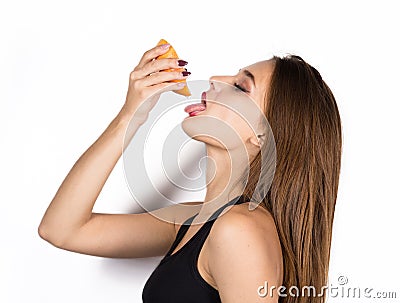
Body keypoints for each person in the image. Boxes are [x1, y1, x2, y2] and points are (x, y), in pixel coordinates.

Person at [38, 42, 342, 303]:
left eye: (240, 86)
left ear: (262, 135)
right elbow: (62, 229)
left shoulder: (239, 229)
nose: (214, 79)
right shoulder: (194, 220)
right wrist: (130, 116)